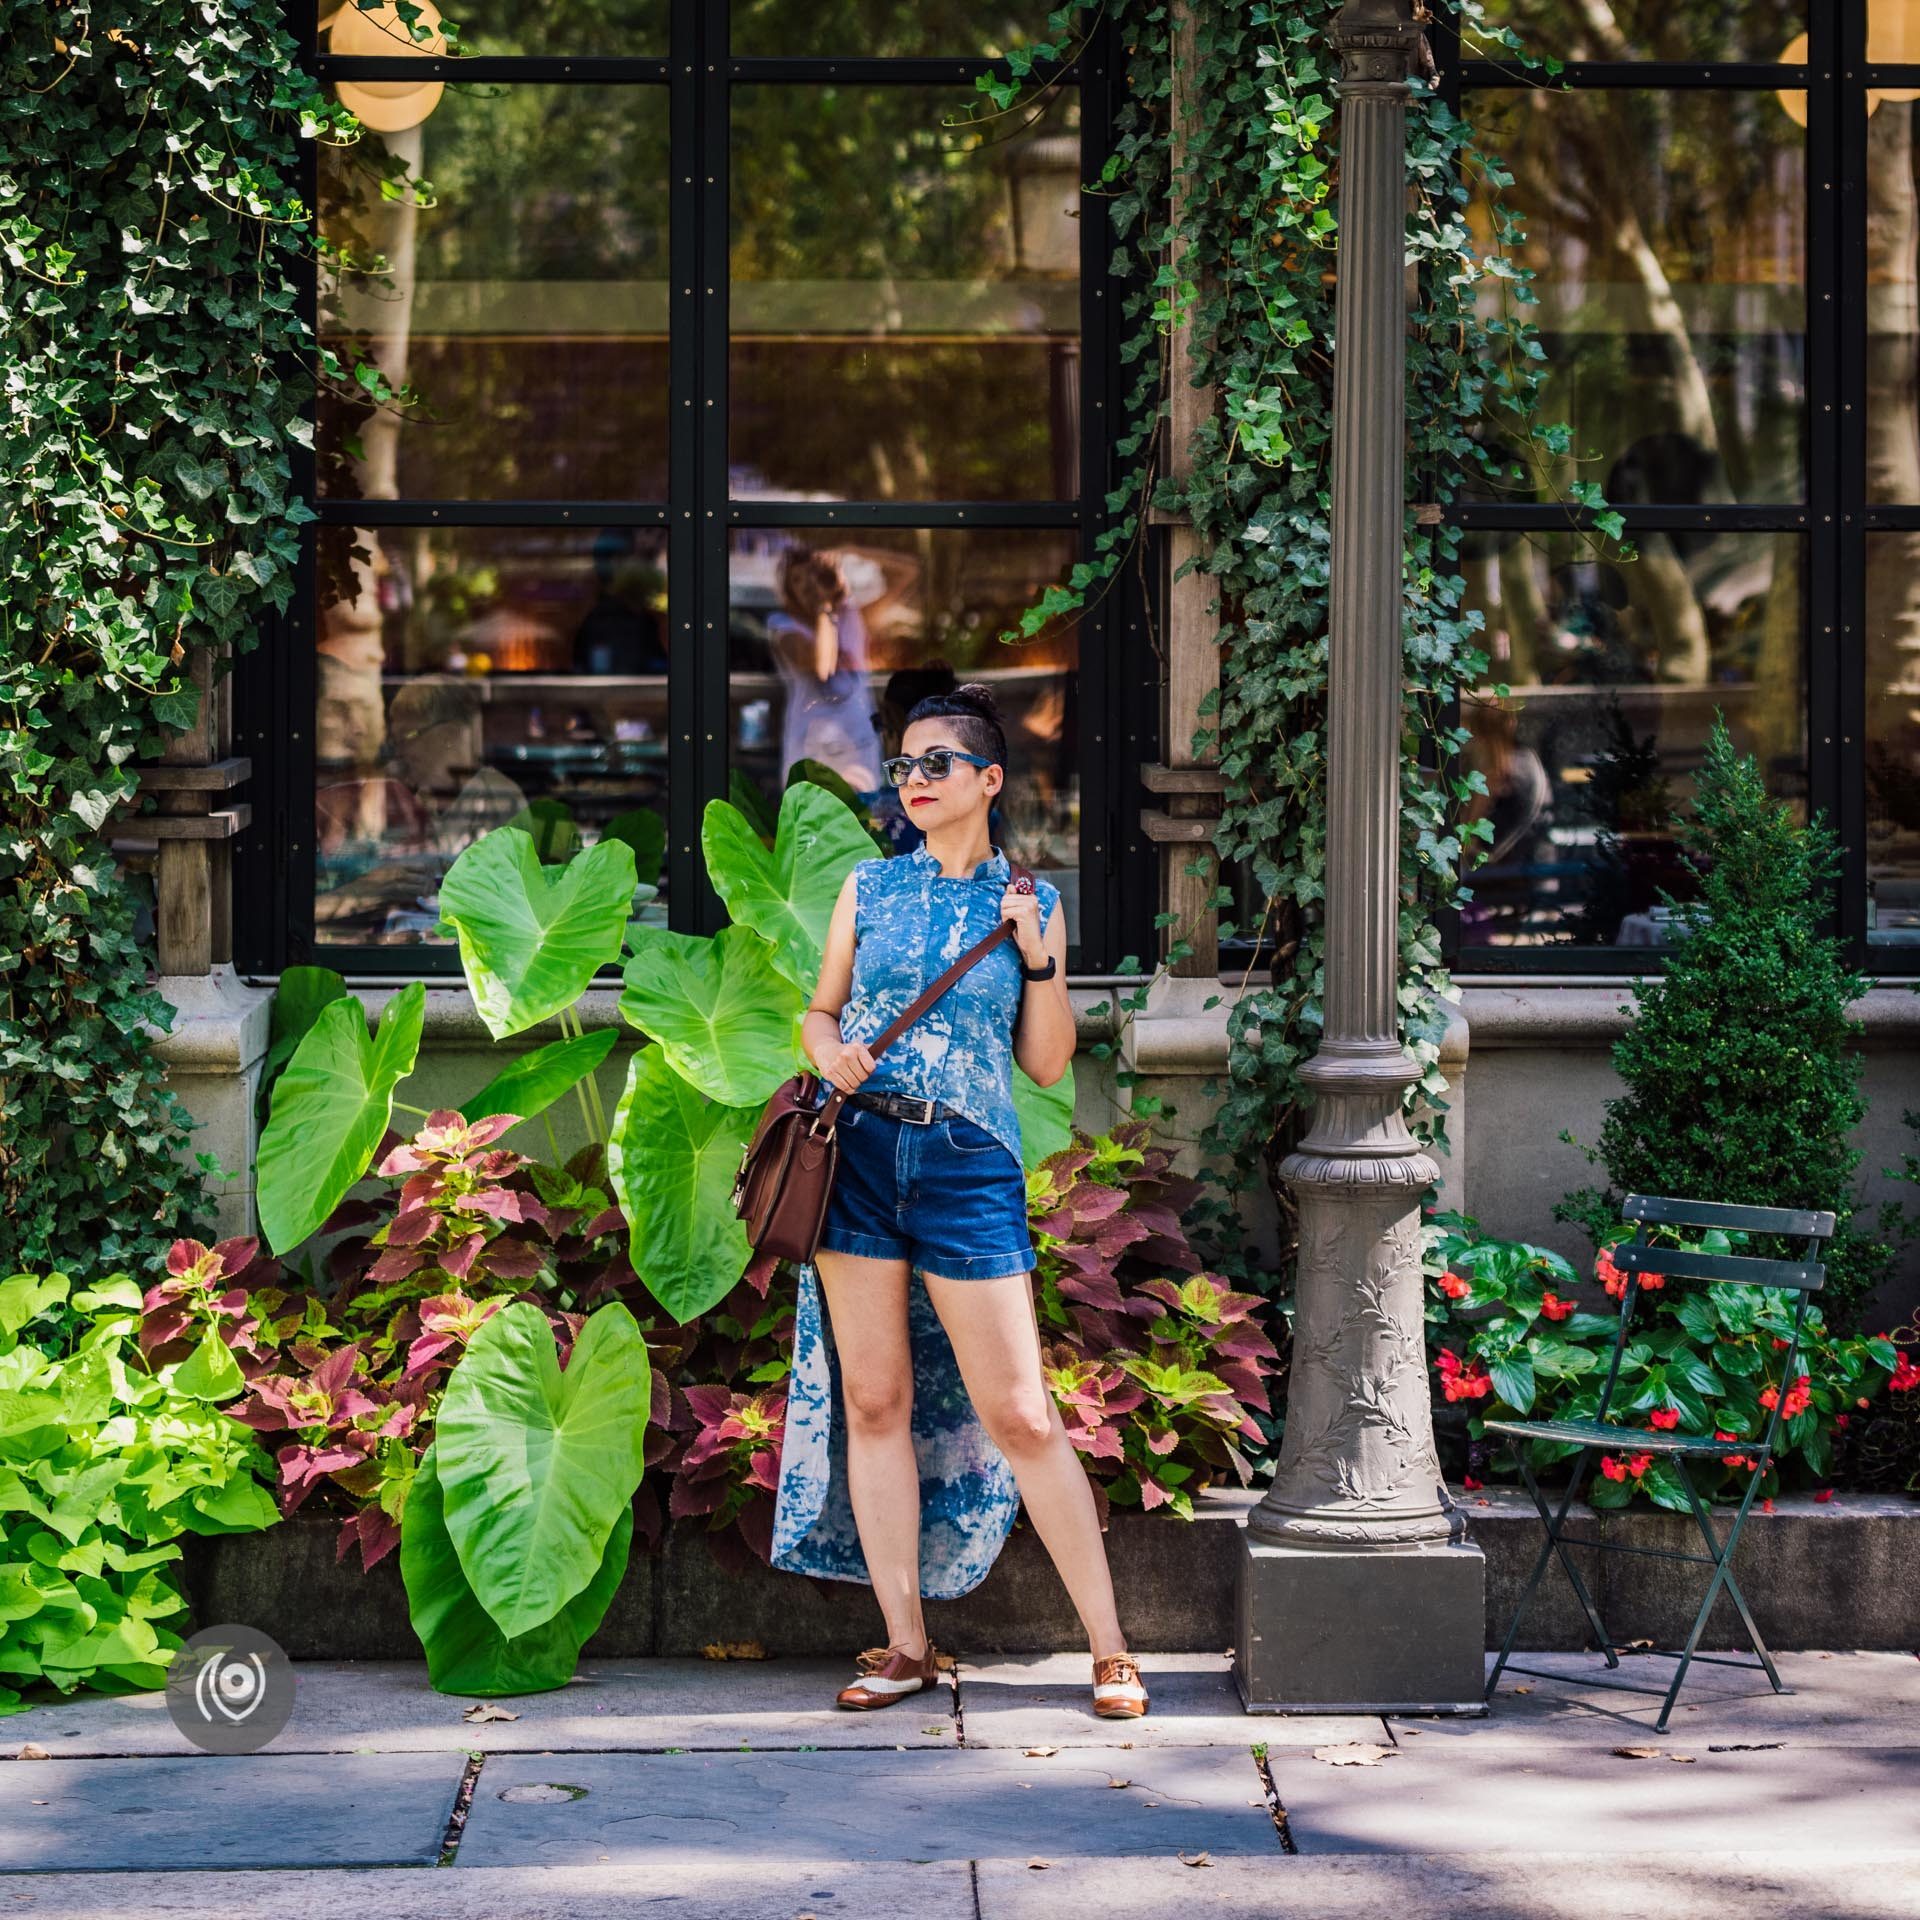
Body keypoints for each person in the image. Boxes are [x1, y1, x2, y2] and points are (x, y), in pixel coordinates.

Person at [769, 683, 1148, 1723]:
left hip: (967, 1159)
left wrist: (1037, 957)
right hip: (857, 1148)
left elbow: (1046, 1060)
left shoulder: (1030, 901)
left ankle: (1109, 1650)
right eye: (903, 767)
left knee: (1021, 1411)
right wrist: (827, 1053)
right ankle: (904, 1646)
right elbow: (818, 1010)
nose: (915, 782)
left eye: (937, 764)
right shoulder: (867, 887)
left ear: (988, 778)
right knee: (875, 1400)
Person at [766, 548, 882, 792]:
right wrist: (824, 607)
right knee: (811, 821)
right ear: (788, 589)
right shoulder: (783, 627)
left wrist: (851, 549)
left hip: (857, 743)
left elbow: (908, 573)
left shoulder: (851, 613)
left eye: (812, 576)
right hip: (811, 748)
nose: (807, 585)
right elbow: (822, 667)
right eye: (797, 580)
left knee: (863, 823)